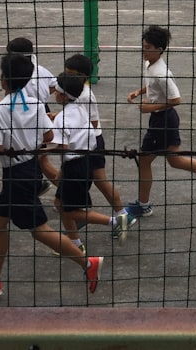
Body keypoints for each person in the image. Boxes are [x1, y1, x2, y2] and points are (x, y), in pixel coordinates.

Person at [0, 52, 103, 298]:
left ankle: (87, 263)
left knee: (40, 230)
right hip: (28, 170)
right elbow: (47, 138)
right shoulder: (36, 105)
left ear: (4, 80)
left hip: (16, 174)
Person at [124, 25, 196, 219]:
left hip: (163, 120)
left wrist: (151, 107)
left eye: (147, 47)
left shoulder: (161, 73)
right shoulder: (149, 64)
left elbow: (176, 100)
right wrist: (139, 92)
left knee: (144, 160)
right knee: (174, 160)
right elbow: (152, 86)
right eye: (143, 46)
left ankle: (143, 205)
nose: (143, 50)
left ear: (159, 49)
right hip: (164, 119)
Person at [42, 72, 130, 252]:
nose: (54, 94)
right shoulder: (80, 110)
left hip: (74, 168)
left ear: (65, 95)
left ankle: (114, 222)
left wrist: (40, 151)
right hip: (87, 162)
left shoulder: (63, 118)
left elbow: (62, 147)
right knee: (60, 204)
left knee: (70, 211)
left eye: (57, 91)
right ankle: (75, 243)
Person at [63, 53, 129, 220]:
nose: (66, 77)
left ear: (82, 76)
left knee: (100, 180)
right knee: (65, 177)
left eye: (70, 73)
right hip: (87, 141)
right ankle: (69, 206)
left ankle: (121, 215)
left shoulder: (85, 95)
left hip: (91, 143)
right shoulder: (77, 91)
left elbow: (91, 122)